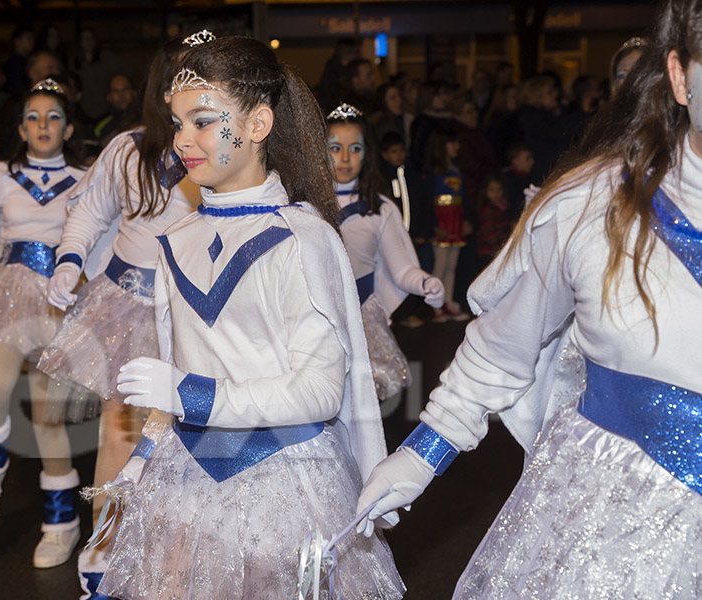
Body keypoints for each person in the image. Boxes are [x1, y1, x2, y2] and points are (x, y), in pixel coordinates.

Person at [357, 0, 702, 597]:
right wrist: (421, 455)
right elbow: (502, 349)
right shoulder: (591, 207)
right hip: (610, 531)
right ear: (679, 76)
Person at [100, 35, 405, 600]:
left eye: (203, 121)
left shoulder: (303, 237)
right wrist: (144, 455)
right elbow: (177, 368)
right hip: (187, 478)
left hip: (285, 482)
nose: (182, 140)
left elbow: (320, 391)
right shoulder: (174, 240)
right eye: (176, 122)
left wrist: (192, 394)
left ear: (259, 124)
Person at [37, 35, 201, 598]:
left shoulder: (232, 153)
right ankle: (103, 552)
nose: (188, 88)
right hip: (128, 308)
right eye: (179, 77)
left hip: (200, 317)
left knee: (188, 446)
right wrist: (68, 261)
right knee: (120, 435)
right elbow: (90, 209)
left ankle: (175, 566)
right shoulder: (129, 148)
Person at [0, 79, 86, 569]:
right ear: (21, 126)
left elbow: (104, 235)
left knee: (48, 418)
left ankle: (61, 523)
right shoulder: (0, 175)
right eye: (33, 116)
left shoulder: (88, 178)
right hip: (9, 292)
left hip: (60, 300)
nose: (42, 125)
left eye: (52, 117)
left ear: (68, 128)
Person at [326, 103, 444, 399]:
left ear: (367, 153)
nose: (344, 158)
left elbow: (402, 269)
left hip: (362, 322)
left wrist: (425, 282)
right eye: (334, 147)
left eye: (355, 148)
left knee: (363, 417)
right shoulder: (300, 207)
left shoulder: (379, 209)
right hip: (314, 322)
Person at [424, 128, 471, 321]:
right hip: (441, 220)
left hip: (455, 219)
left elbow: (464, 198)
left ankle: (447, 302)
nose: (456, 147)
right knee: (440, 264)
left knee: (451, 265)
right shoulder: (432, 172)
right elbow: (426, 200)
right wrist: (433, 224)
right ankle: (434, 305)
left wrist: (466, 219)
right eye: (452, 143)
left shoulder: (456, 169)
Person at [474, 173, 511, 272]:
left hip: (499, 253)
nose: (496, 194)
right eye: (492, 190)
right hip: (488, 254)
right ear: (485, 191)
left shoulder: (503, 208)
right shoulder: (487, 211)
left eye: (499, 190)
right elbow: (490, 237)